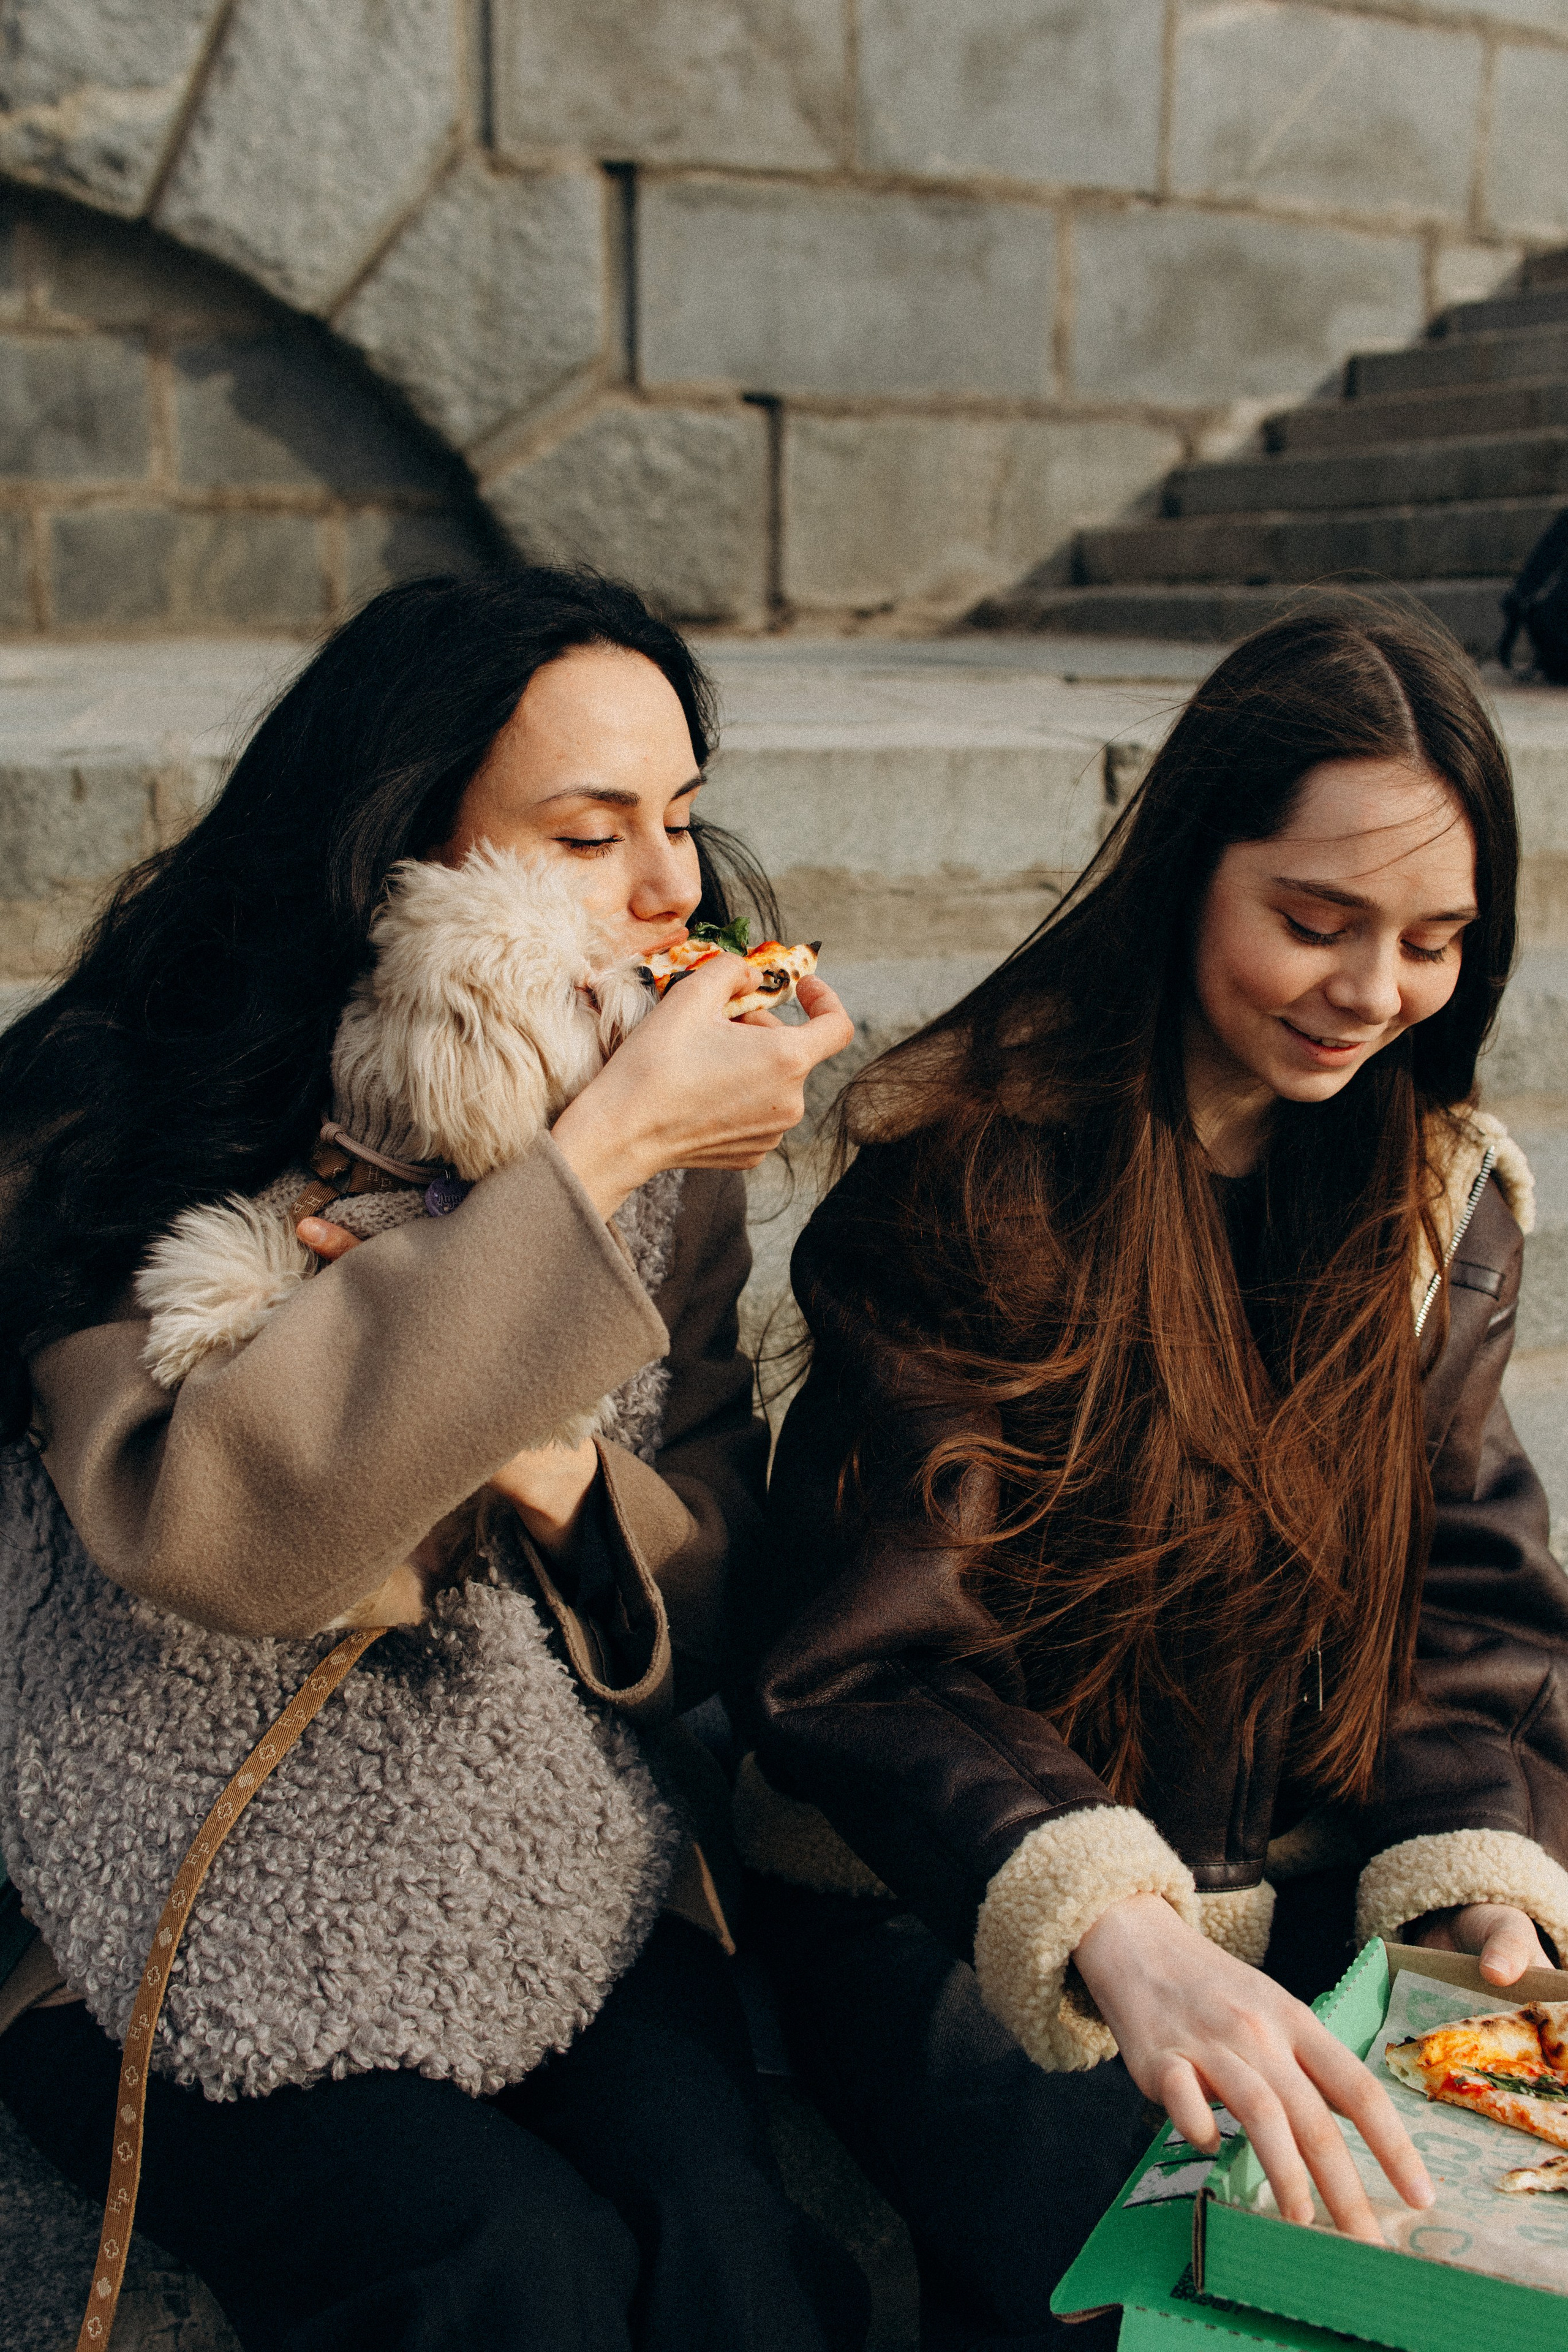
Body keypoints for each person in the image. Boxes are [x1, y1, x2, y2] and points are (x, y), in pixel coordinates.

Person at [0, 570, 861, 2352]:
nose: (666, 889)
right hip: (160, 1876)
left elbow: (711, 1582)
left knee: (721, 2242)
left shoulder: (656, 1117)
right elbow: (217, 1539)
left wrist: (558, 1475)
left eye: (682, 820)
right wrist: (599, 1158)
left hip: (534, 1827)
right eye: (585, 830)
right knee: (497, 2273)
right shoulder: (107, 1107)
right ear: (400, 847)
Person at [734, 604, 1568, 2349]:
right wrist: (1110, 1916)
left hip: (1303, 1866)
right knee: (1218, 2287)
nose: (1373, 993)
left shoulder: (1433, 1192)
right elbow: (879, 1656)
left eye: (1434, 941)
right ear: (1191, 872)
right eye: (1317, 922)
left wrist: (1480, 1875)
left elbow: (1464, 1599)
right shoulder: (972, 1165)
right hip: (962, 1894)